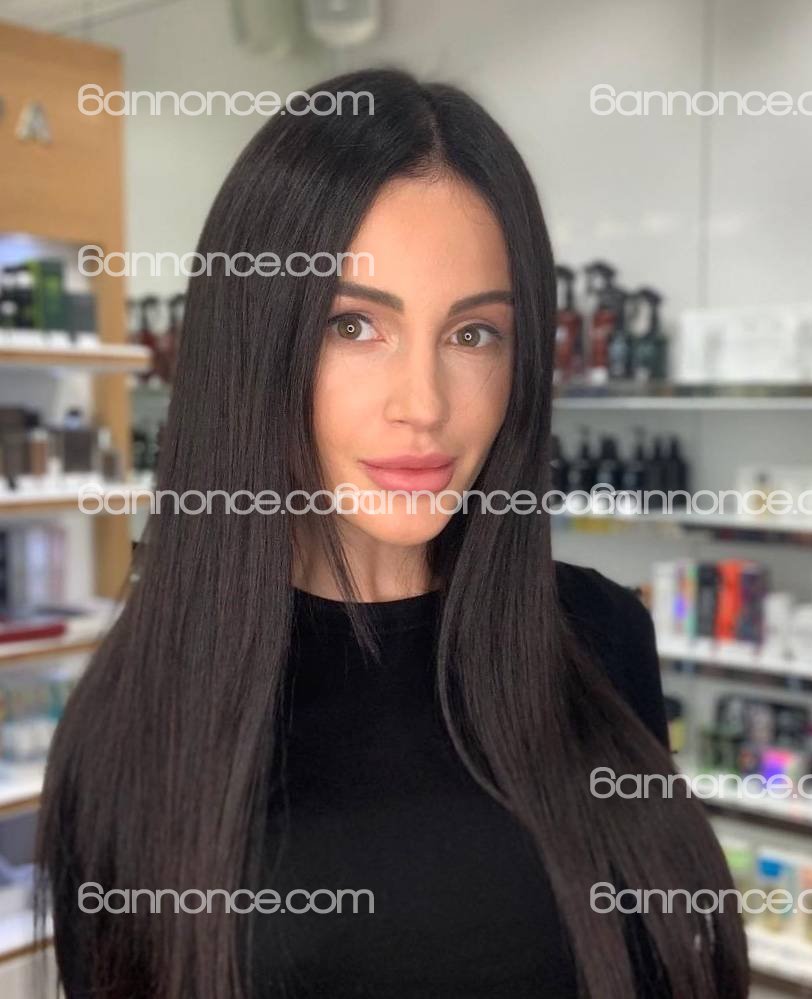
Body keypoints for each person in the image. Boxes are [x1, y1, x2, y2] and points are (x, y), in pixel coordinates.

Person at [37, 69, 749, 999]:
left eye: (473, 334)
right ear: (255, 342)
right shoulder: (146, 720)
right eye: (354, 325)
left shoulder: (602, 637)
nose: (424, 405)